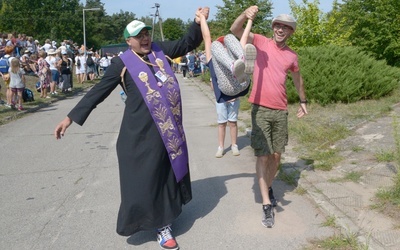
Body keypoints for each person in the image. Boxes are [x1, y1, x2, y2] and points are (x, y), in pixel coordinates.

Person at [54, 7, 209, 250]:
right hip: (137, 135)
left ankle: (164, 223)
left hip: (167, 132)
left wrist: (197, 21)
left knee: (164, 177)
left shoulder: (161, 51)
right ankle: (151, 222)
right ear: (129, 41)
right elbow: (97, 92)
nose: (145, 38)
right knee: (144, 181)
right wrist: (70, 118)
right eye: (140, 36)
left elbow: (187, 42)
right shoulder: (121, 64)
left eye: (147, 33)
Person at [230, 6, 308, 228]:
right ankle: (266, 203)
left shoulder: (292, 56)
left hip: (281, 109)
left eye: (286, 27)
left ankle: (269, 185)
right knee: (263, 156)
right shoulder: (261, 42)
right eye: (278, 25)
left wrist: (303, 101)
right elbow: (235, 29)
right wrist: (245, 15)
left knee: (276, 155)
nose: (281, 29)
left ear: (291, 32)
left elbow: (297, 79)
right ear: (273, 28)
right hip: (260, 108)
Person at [198, 8, 256, 158]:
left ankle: (234, 145)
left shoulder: (226, 51)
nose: (222, 45)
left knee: (231, 37)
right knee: (222, 122)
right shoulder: (213, 57)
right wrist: (202, 18)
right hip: (227, 90)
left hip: (237, 87)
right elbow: (207, 37)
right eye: (222, 45)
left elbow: (242, 38)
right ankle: (221, 146)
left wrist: (250, 19)